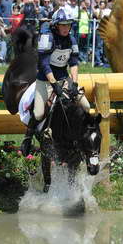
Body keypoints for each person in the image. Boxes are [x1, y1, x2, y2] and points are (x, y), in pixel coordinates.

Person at [19, 9, 91, 156]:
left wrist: (75, 84)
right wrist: (54, 85)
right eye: (63, 25)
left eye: (68, 25)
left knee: (86, 106)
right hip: (45, 80)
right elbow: (44, 64)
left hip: (64, 79)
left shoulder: (72, 40)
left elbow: (74, 63)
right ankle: (27, 138)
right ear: (56, 25)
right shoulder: (47, 38)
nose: (66, 28)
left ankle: (82, 138)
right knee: (39, 114)